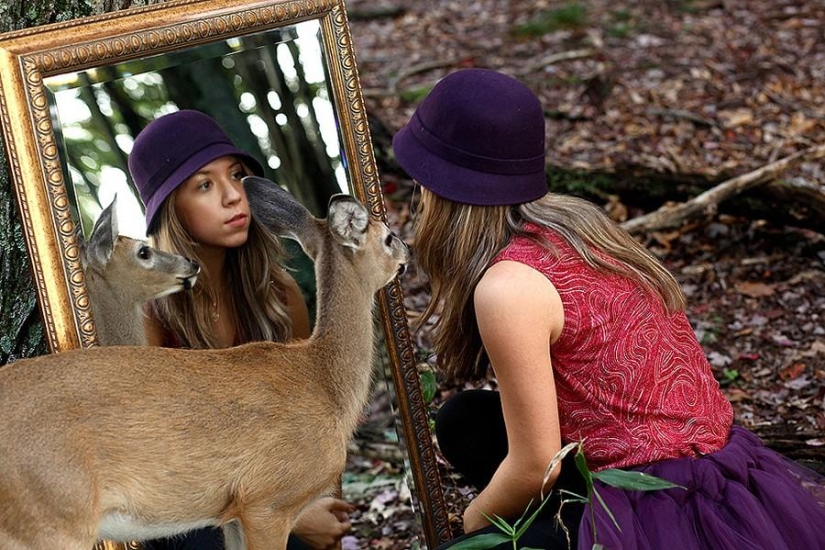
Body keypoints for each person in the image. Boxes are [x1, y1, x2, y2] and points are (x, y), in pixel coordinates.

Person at [392, 69, 825, 549]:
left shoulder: (508, 287)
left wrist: (472, 521)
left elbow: (536, 465)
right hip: (703, 466)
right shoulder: (578, 227)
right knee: (464, 419)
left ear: (435, 187)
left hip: (660, 504)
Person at [128, 109, 354, 550]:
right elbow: (159, 461)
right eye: (205, 185)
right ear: (171, 209)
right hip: (189, 514)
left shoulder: (279, 294)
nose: (234, 196)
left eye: (236, 175)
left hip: (279, 493)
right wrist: (288, 515)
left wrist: (322, 509)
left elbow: (317, 424)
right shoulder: (150, 316)